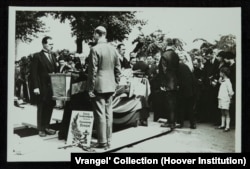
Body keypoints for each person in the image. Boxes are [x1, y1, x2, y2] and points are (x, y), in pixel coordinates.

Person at [87, 26, 121, 149]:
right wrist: (116, 83)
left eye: (94, 34)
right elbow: (118, 69)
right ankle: (109, 139)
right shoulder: (113, 49)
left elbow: (92, 71)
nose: (93, 36)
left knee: (100, 114)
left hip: (99, 86)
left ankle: (102, 142)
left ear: (97, 34)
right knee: (108, 113)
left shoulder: (94, 49)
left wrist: (90, 88)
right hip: (110, 85)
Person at [31, 36, 58, 137]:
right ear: (44, 44)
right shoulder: (37, 56)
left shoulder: (53, 56)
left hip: (52, 87)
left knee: (50, 106)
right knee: (41, 107)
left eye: (52, 44)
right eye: (50, 44)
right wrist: (36, 87)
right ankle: (41, 129)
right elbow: (34, 73)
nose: (52, 46)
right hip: (42, 87)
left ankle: (46, 126)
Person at [158, 39, 179, 130]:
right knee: (173, 103)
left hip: (168, 83)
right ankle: (172, 121)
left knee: (168, 103)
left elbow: (163, 70)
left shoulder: (164, 55)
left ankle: (170, 123)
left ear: (166, 45)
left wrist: (163, 83)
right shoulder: (176, 55)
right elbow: (178, 70)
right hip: (175, 82)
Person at [216, 67, 234, 132]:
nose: (219, 73)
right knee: (222, 112)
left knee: (226, 112)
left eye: (220, 72)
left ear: (223, 73)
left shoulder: (228, 81)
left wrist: (230, 98)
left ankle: (227, 126)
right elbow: (220, 82)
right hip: (221, 97)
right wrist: (220, 79)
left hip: (225, 98)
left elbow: (230, 91)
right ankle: (222, 124)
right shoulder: (223, 81)